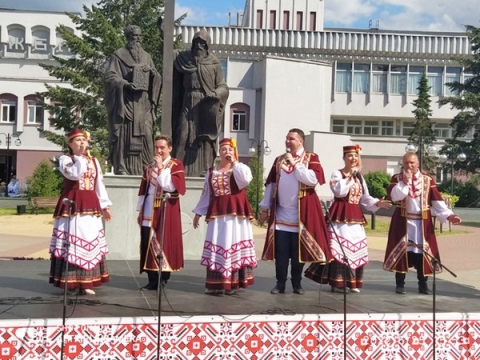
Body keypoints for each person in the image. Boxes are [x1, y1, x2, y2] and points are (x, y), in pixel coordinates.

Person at [304, 145, 392, 293]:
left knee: (356, 246)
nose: (353, 159)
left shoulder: (359, 178)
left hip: (355, 216)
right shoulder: (337, 174)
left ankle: (353, 283)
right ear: (344, 158)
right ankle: (337, 282)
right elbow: (339, 192)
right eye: (350, 156)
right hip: (340, 215)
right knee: (339, 247)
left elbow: (364, 198)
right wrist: (350, 176)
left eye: (355, 156)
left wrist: (378, 203)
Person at [258, 128, 332, 295]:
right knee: (281, 254)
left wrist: (295, 164)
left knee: (298, 255)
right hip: (281, 216)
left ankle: (297, 283)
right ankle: (280, 283)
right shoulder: (278, 160)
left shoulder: (311, 158)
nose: (287, 141)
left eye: (291, 138)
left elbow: (312, 180)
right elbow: (271, 185)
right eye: (286, 138)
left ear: (301, 141)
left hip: (301, 216)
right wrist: (265, 208)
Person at [384, 152, 462, 295]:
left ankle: (423, 284)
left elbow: (437, 202)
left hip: (422, 223)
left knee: (423, 253)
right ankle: (400, 284)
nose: (409, 165)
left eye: (412, 163)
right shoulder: (397, 178)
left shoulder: (427, 179)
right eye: (406, 163)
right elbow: (395, 196)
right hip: (403, 222)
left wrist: (449, 216)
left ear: (418, 164)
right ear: (403, 164)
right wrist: (405, 182)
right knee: (403, 253)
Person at [49, 129, 112, 295]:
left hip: (91, 204)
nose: (82, 143)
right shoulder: (66, 160)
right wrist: (78, 157)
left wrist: (105, 206)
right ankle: (69, 282)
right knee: (72, 242)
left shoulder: (94, 161)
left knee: (89, 240)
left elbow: (99, 184)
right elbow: (75, 175)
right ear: (70, 144)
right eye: (77, 140)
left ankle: (87, 282)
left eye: (84, 140)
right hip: (72, 204)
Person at [193, 138, 256, 295]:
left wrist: (234, 162)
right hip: (218, 215)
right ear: (218, 152)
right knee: (218, 245)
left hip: (236, 217)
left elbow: (245, 180)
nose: (226, 152)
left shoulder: (239, 169)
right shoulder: (211, 172)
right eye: (223, 149)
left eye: (229, 149)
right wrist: (198, 213)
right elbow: (207, 194)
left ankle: (233, 284)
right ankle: (216, 284)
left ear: (234, 152)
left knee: (232, 243)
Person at [104, 25, 162, 175]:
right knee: (124, 135)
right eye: (134, 36)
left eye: (139, 36)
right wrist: (125, 84)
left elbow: (157, 77)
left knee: (147, 136)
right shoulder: (118, 55)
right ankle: (123, 167)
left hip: (143, 105)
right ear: (128, 37)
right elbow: (110, 77)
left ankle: (147, 168)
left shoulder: (147, 57)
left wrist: (153, 74)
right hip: (126, 103)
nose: (137, 39)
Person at [172, 29, 229, 177]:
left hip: (206, 103)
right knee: (182, 134)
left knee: (206, 138)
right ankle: (175, 169)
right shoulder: (184, 59)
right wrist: (163, 37)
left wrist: (216, 94)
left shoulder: (214, 63)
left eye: (202, 43)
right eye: (196, 42)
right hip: (188, 101)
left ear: (207, 45)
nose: (199, 46)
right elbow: (169, 55)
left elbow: (222, 86)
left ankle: (205, 170)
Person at [136, 134, 186, 290]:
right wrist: (140, 210)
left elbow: (169, 186)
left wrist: (161, 168)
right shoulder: (150, 166)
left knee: (163, 242)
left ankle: (163, 278)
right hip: (149, 209)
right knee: (148, 242)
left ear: (169, 148)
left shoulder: (175, 165)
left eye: (162, 147)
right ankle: (152, 278)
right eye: (157, 147)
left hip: (165, 209)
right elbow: (144, 189)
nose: (159, 150)